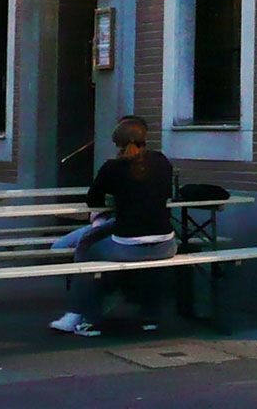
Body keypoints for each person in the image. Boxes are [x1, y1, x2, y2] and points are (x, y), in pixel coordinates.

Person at [50, 117, 178, 336]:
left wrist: (115, 201)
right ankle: (150, 317)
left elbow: (93, 200)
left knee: (87, 249)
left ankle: (84, 318)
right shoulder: (161, 161)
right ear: (144, 139)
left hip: (126, 243)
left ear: (116, 143)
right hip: (166, 244)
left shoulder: (113, 167)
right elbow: (167, 194)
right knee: (149, 269)